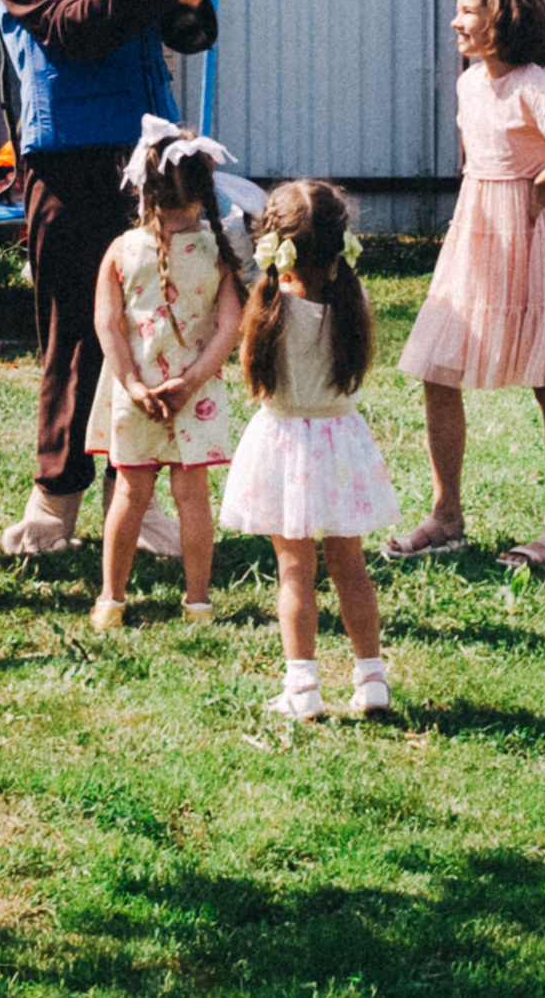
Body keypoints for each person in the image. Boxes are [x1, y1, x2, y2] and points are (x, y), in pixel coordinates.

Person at [0, 0, 217, 553]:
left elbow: (194, 35)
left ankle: (138, 493)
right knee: (76, 332)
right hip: (72, 161)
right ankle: (55, 497)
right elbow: (76, 30)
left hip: (153, 164)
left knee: (158, 327)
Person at [386, 0, 545, 574]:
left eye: (469, 11)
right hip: (479, 236)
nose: (455, 22)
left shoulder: (531, 84)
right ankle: (446, 517)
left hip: (535, 241)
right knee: (437, 369)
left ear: (504, 19)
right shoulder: (469, 84)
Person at [219, 180, 399, 719]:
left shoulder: (266, 306)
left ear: (273, 244)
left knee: (294, 570)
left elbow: (255, 380)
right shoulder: (353, 301)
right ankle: (372, 680)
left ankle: (302, 687)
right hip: (341, 444)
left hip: (283, 444)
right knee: (352, 566)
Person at [87, 118, 247, 629]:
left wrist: (134, 384)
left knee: (129, 495)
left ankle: (111, 601)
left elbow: (106, 324)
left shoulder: (120, 251)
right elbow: (231, 326)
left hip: (135, 394)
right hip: (194, 396)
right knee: (193, 498)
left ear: (143, 189)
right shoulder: (218, 253)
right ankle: (198, 603)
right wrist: (191, 382)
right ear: (204, 189)